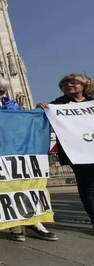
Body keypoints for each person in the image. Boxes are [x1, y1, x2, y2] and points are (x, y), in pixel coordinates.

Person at [0, 76, 58, 242]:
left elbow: (23, 122)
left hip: (19, 149)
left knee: (28, 185)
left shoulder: (13, 104)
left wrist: (36, 111)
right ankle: (15, 224)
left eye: (0, 91)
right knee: (6, 188)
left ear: (5, 91)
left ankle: (35, 222)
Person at [37, 73, 94, 233]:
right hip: (78, 152)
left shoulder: (91, 102)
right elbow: (44, 120)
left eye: (73, 82)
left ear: (84, 85)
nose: (69, 85)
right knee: (88, 187)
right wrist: (40, 109)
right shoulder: (56, 106)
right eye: (65, 84)